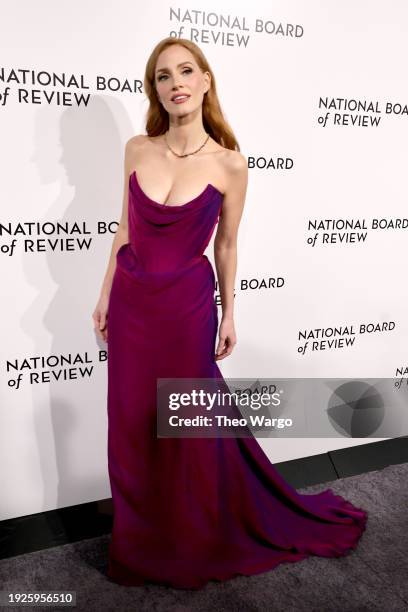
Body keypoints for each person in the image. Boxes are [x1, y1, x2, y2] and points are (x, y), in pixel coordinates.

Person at [92, 37, 368, 590]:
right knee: (129, 425)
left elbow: (226, 247)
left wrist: (229, 313)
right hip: (132, 304)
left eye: (186, 71)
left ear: (206, 80)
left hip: (186, 310)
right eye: (164, 76)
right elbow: (124, 228)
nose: (176, 84)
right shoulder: (136, 148)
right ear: (157, 90)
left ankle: (191, 539)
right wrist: (103, 296)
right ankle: (141, 543)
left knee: (186, 428)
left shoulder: (230, 164)